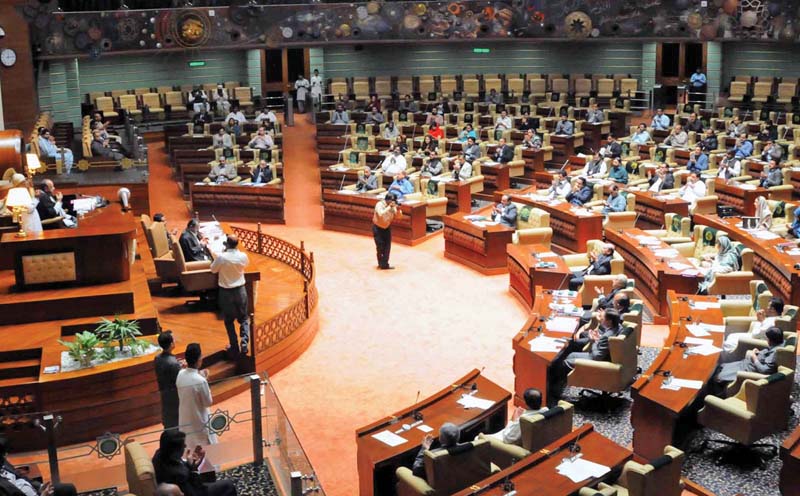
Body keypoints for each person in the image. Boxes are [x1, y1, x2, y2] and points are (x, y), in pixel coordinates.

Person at [152, 429, 237, 496]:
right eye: (182, 445)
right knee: (228, 484)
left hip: (189, 482)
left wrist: (191, 464)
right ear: (174, 451)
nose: (185, 446)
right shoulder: (178, 475)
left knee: (209, 471)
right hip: (195, 489)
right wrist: (194, 469)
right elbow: (196, 492)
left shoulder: (159, 454)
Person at [210, 236, 250, 356]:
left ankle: (234, 346)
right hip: (240, 290)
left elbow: (213, 270)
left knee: (229, 321)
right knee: (243, 318)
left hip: (226, 292)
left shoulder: (222, 257)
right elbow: (245, 265)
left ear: (226, 244)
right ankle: (244, 344)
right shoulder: (243, 256)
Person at [714, 326, 784, 392]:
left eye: (767, 338)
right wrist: (759, 353)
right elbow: (767, 354)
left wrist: (754, 358)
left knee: (718, 377)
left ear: (771, 340)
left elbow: (765, 370)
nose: (767, 340)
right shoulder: (780, 343)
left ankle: (717, 394)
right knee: (720, 366)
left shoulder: (775, 353)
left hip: (747, 369)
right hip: (745, 363)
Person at [175, 343, 215, 448]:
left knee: (189, 448)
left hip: (185, 420)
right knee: (205, 451)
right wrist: (205, 380)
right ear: (199, 359)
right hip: (199, 421)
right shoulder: (200, 381)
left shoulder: (180, 374)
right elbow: (208, 402)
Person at [154, 331, 183, 430]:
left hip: (164, 393)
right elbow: (179, 380)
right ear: (171, 344)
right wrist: (180, 367)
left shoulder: (157, 358)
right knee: (176, 423)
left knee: (168, 420)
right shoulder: (173, 364)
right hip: (174, 397)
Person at [372, 192, 401, 270]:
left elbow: (398, 217)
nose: (393, 203)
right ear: (388, 200)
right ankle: (380, 263)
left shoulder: (392, 206)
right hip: (377, 228)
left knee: (387, 247)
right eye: (392, 201)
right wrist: (389, 207)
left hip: (387, 228)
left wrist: (398, 210)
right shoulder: (379, 204)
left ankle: (385, 265)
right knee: (380, 247)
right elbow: (380, 214)